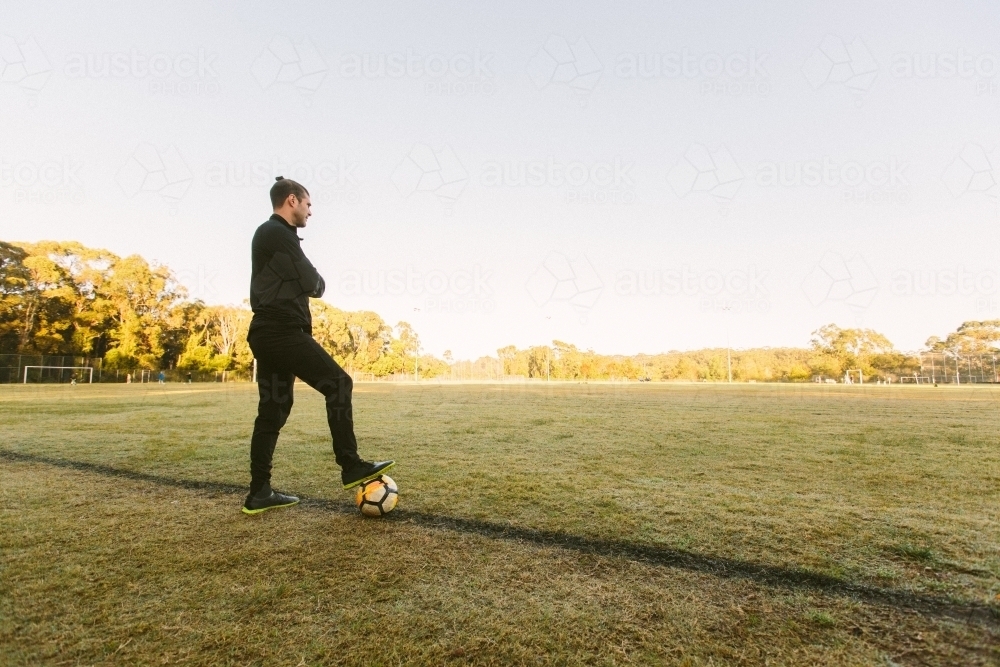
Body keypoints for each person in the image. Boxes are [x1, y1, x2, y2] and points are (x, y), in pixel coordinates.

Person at [241, 176, 394, 515]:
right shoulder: (276, 233)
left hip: (268, 332)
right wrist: (311, 278)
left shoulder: (275, 237)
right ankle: (351, 464)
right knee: (339, 383)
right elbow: (315, 283)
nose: (311, 211)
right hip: (280, 331)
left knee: (273, 411)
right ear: (292, 200)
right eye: (308, 204)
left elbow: (307, 282)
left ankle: (259, 493)